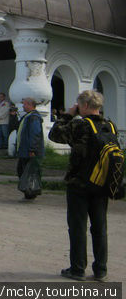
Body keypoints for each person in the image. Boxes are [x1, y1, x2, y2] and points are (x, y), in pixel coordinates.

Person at [48, 90, 111, 282]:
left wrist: (68, 114)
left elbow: (54, 134)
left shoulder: (79, 125)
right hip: (101, 183)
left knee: (77, 226)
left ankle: (77, 269)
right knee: (99, 227)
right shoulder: (110, 126)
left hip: (79, 183)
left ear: (83, 106)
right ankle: (100, 269)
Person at [15, 97, 44, 200]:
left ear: (30, 105)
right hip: (24, 150)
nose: (23, 106)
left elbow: (35, 134)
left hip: (29, 151)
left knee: (28, 172)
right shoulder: (28, 116)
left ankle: (31, 192)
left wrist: (32, 149)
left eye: (24, 104)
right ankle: (29, 191)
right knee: (23, 171)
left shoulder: (33, 117)